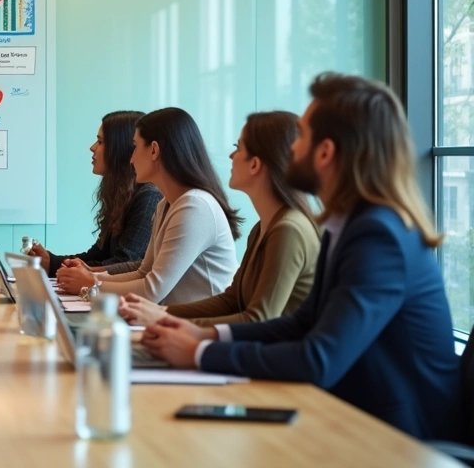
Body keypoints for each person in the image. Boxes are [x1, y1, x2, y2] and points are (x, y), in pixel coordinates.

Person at [141, 73, 461, 442]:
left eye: (303, 136)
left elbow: (318, 359)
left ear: (325, 153)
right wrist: (208, 334)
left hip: (399, 437)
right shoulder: (348, 223)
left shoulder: (379, 236)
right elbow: (302, 323)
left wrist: (201, 352)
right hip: (352, 414)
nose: (292, 147)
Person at [121, 111, 319, 326]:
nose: (231, 156)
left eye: (238, 148)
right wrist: (162, 314)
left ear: (255, 164)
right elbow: (231, 301)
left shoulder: (288, 229)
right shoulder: (261, 228)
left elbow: (258, 320)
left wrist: (166, 320)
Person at [57, 107, 239, 305]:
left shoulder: (194, 206)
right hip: (171, 322)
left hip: (198, 330)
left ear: (154, 150)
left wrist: (91, 284)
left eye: (135, 147)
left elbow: (152, 290)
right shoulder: (165, 204)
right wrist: (91, 280)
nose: (131, 158)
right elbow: (144, 272)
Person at [31, 111, 161, 275]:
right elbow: (99, 254)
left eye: (100, 142)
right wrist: (51, 262)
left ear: (121, 149)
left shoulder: (149, 196)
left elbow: (124, 262)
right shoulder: (122, 194)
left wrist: (79, 273)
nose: (92, 147)